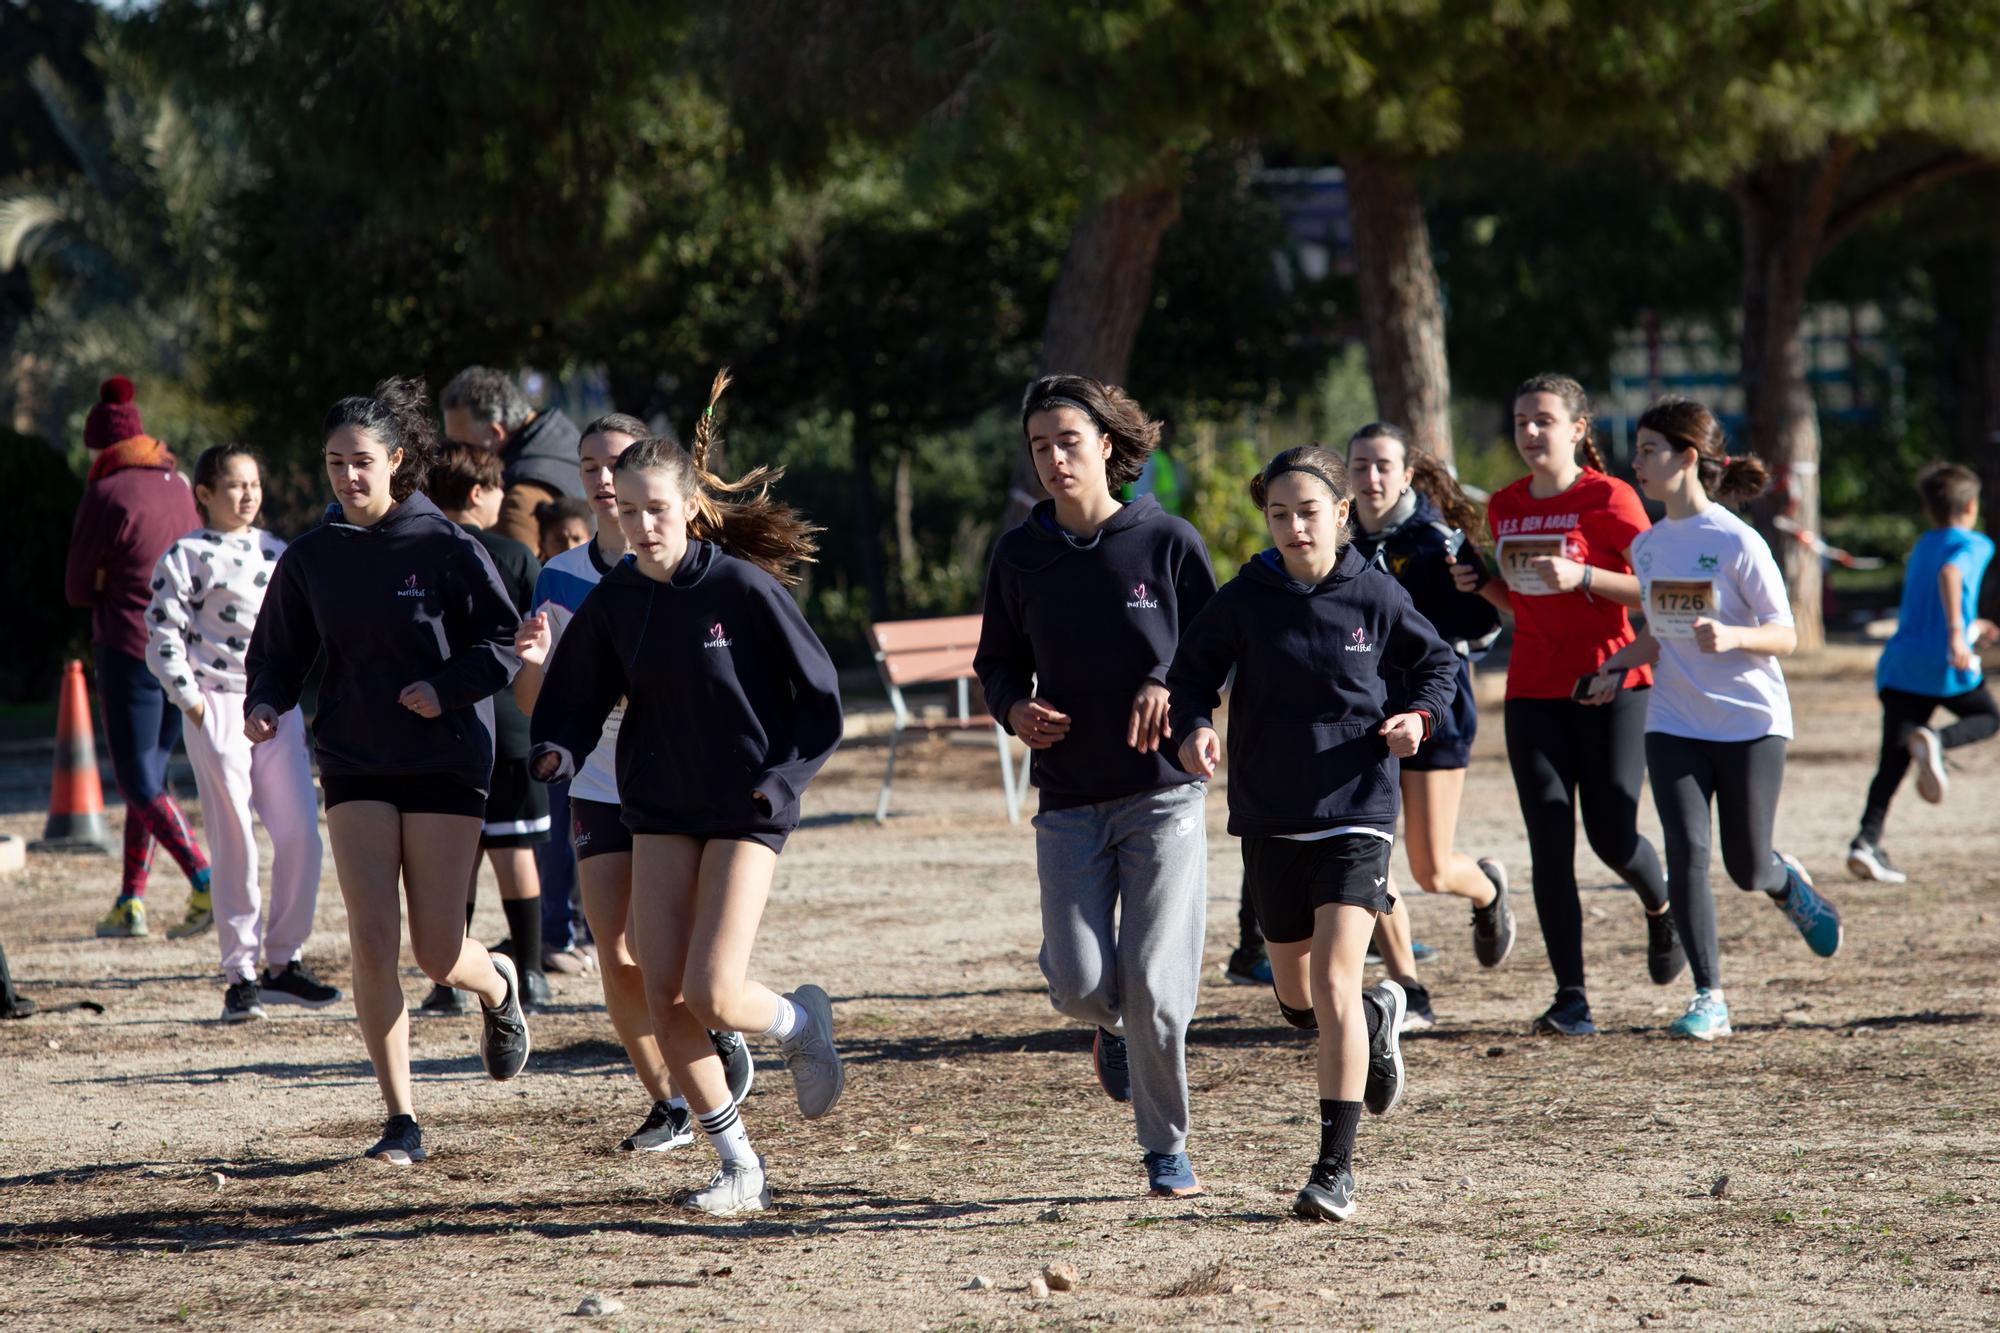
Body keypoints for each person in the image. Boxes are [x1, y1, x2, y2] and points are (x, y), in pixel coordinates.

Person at [530, 373, 844, 1215]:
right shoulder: (618, 599)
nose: (640, 525)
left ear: (693, 506)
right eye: (627, 512)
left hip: (746, 808)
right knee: (662, 989)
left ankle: (800, 1025)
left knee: (711, 991)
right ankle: (739, 1164)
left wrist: (778, 782)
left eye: (656, 510)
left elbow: (820, 702)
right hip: (660, 809)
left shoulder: (743, 590)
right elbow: (574, 690)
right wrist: (555, 745)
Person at [1168, 444, 1459, 1224]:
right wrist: (1195, 725)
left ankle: (1335, 1170)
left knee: (1333, 981)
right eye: (1279, 513)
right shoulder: (1247, 596)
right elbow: (1189, 675)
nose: (1294, 526)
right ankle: (1376, 1018)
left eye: (1309, 511)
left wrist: (1416, 718)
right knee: (1296, 998)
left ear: (1340, 514)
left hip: (1358, 810)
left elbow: (1437, 667)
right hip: (1270, 816)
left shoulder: (1376, 591)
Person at [245, 377, 531, 1166]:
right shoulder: (311, 556)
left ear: (397, 459)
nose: (347, 476)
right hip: (353, 759)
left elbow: (503, 641)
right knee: (373, 941)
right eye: (334, 462)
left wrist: (443, 690)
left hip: (444, 759)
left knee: (438, 950)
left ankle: (498, 981)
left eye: (361, 461)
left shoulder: (443, 544)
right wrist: (266, 702)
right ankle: (401, 1119)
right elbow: (277, 652)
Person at [974, 374, 1218, 1199]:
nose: (1053, 459)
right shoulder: (1019, 553)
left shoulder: (1168, 540)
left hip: (1163, 793)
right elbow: (996, 662)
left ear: (1107, 447)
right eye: (1039, 446)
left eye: (1067, 441)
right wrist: (1014, 707)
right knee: (1078, 985)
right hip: (1070, 797)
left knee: (1154, 981)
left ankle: (1165, 1147)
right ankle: (1108, 1029)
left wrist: (1173, 693)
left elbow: (1211, 654)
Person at [514, 412, 755, 1151]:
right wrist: (532, 663)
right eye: (588, 466)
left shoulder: (694, 564)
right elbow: (539, 707)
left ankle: (715, 1027)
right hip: (596, 782)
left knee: (665, 953)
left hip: (677, 779)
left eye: (613, 463)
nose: (599, 478)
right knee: (615, 954)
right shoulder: (558, 573)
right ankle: (671, 1100)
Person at [1581, 397, 1842, 1041]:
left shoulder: (1736, 540)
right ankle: (1711, 998)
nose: (1635, 462)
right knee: (1687, 854)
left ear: (1687, 458)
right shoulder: (1647, 547)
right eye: (1636, 450)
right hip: (1674, 722)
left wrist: (1732, 638)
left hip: (1751, 720)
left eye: (1648, 450)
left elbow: (1786, 635)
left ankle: (1788, 885)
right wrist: (1614, 669)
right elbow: (1658, 635)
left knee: (1746, 866)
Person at [1450, 373, 1682, 1037]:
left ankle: (1660, 903)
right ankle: (1571, 997)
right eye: (1521, 420)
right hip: (1532, 691)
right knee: (1550, 845)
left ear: (1578, 428)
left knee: (1611, 835)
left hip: (1610, 685)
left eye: (1543, 420)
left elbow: (1654, 591)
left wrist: (1583, 576)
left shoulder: (1611, 498)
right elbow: (1522, 602)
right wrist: (1480, 583)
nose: (1529, 432)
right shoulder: (1504, 505)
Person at [143, 444, 333, 1023]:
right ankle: (240, 974)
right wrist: (194, 704)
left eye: (254, 483)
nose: (247, 494)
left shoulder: (281, 551)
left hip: (278, 708)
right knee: (237, 842)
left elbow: (305, 631)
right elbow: (161, 632)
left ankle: (283, 961)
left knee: (301, 833)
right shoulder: (186, 554)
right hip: (218, 706)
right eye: (233, 485)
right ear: (204, 494)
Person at [1342, 422, 1516, 1029]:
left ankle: (1487, 890)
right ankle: (1409, 990)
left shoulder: (1438, 539)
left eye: (1383, 465)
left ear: (1407, 473)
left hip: (1438, 713)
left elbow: (1484, 626)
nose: (1371, 478)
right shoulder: (1339, 541)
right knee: (1372, 860)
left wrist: (1475, 594)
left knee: (1431, 867)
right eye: (1360, 465)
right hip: (1364, 721)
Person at [62, 375, 212, 940]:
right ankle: (131, 900)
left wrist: (103, 576)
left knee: (137, 782)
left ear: (103, 447)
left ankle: (204, 876)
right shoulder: (177, 484)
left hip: (127, 645)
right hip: (185, 649)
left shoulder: (104, 493)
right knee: (150, 778)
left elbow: (77, 586)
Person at [421, 444, 552, 1013]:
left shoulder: (420, 554)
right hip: (511, 725)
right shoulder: (514, 556)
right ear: (479, 493)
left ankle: (447, 980)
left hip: (444, 726)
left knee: (457, 858)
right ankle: (531, 969)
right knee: (516, 849)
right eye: (501, 489)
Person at [1848, 462, 1997, 882]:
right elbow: (1952, 576)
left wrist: (1972, 625)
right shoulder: (1976, 544)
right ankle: (1937, 740)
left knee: (1892, 763)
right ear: (1970, 506)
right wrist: (1957, 637)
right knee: (1987, 718)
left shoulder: (1924, 543)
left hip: (1900, 666)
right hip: (1945, 664)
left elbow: (1934, 596)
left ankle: (1865, 843)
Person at [439, 367, 584, 549]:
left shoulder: (517, 496)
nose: (453, 455)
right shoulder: (566, 438)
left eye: (461, 445)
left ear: (495, 432)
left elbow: (514, 571)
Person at [535, 496, 595, 562]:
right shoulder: (533, 571)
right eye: (559, 540)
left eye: (576, 539)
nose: (569, 547)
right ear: (542, 546)